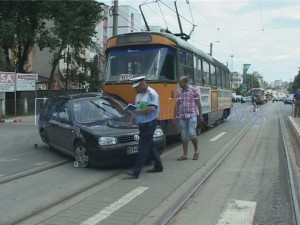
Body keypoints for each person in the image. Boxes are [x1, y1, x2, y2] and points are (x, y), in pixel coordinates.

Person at [124, 76, 163, 179]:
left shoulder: (151, 94)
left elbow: (152, 108)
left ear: (142, 84)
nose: (135, 89)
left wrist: (139, 111)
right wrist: (131, 119)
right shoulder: (139, 95)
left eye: (137, 87)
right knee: (151, 146)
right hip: (142, 124)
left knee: (143, 147)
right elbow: (137, 108)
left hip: (149, 123)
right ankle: (159, 167)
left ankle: (135, 172)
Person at [173, 76, 203, 161]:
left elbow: (198, 103)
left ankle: (196, 150)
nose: (179, 84)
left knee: (192, 134)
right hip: (182, 116)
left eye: (180, 82)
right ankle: (185, 155)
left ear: (185, 82)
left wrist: (200, 115)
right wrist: (175, 115)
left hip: (192, 115)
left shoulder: (193, 91)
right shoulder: (179, 92)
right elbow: (177, 104)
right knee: (184, 136)